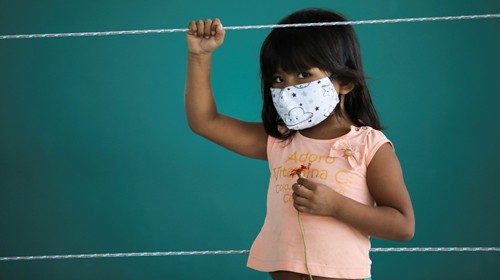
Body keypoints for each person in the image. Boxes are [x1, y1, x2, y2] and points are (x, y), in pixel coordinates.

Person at [184, 8, 415, 280]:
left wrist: (336, 206)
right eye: (279, 79)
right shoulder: (280, 141)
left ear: (344, 82)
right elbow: (205, 121)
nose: (288, 88)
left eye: (304, 75)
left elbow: (402, 225)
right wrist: (200, 56)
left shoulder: (369, 145)